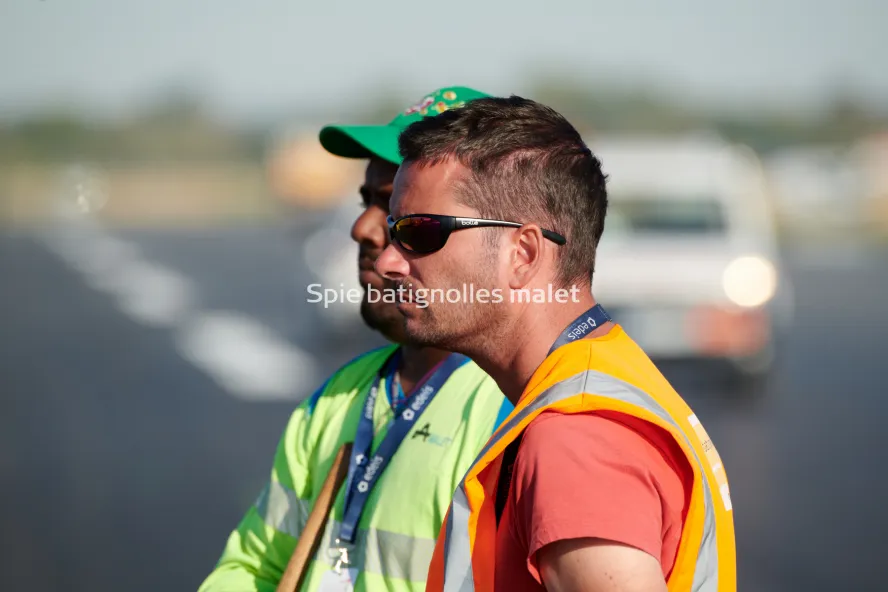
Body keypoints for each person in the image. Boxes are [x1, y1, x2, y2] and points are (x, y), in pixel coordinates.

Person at [375, 95, 737, 591]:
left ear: (523, 252)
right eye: (393, 230)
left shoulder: (577, 439)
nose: (388, 261)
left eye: (418, 232)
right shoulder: (599, 377)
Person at [197, 87, 512, 592]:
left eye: (396, 210)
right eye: (366, 202)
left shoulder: (522, 415)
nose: (363, 229)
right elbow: (252, 569)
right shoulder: (336, 399)